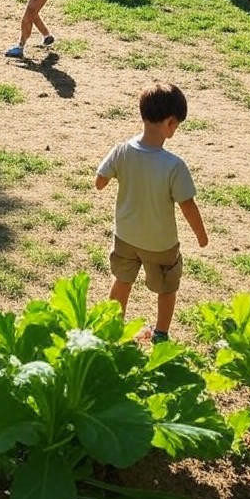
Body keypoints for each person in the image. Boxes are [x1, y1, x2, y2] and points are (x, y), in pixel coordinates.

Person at [95, 83, 208, 344]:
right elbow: (187, 205)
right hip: (161, 243)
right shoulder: (174, 166)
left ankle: (113, 329)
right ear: (170, 123)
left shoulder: (121, 150)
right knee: (167, 287)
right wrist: (202, 236)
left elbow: (99, 182)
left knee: (122, 280)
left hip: (125, 236)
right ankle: (160, 334)